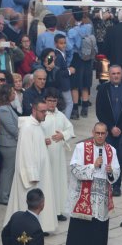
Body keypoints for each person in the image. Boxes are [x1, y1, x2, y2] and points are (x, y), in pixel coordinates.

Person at [63, 123, 120, 245]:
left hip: (101, 197)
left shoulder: (111, 150)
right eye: (97, 133)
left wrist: (110, 171)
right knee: (82, 229)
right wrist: (92, 166)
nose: (100, 136)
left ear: (107, 134)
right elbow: (74, 168)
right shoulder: (81, 147)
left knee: (98, 230)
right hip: (84, 194)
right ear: (92, 132)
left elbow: (117, 172)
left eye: (103, 133)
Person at [3, 99, 58, 233]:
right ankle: (23, 228)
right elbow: (25, 152)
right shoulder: (27, 127)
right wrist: (31, 174)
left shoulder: (37, 125)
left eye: (46, 111)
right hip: (30, 175)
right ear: (34, 111)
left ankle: (39, 227)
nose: (45, 114)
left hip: (41, 172)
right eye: (42, 111)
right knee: (25, 202)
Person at [95, 65, 122, 196]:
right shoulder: (103, 89)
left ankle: (116, 185)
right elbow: (99, 111)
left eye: (118, 73)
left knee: (120, 158)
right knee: (108, 157)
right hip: (108, 130)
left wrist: (121, 127)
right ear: (109, 75)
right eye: (113, 74)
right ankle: (107, 183)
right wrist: (111, 127)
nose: (116, 76)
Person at [41, 88, 75, 221]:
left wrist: (63, 135)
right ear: (45, 100)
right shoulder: (41, 115)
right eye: (49, 100)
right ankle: (47, 211)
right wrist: (42, 140)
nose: (52, 104)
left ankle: (59, 210)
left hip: (59, 156)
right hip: (46, 154)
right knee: (47, 183)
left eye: (54, 101)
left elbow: (70, 129)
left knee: (59, 183)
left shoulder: (60, 115)